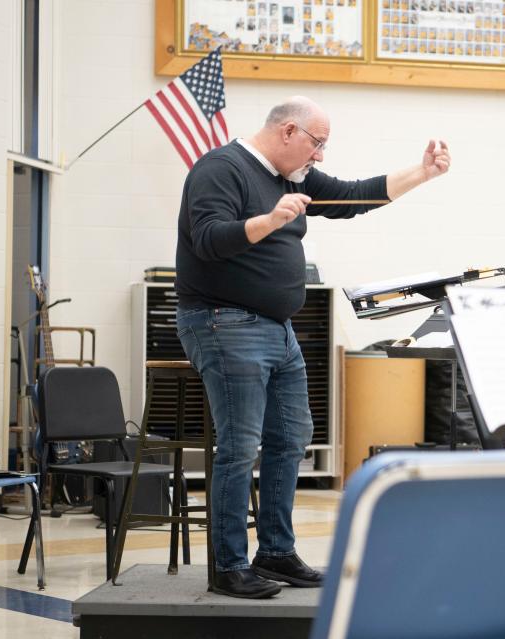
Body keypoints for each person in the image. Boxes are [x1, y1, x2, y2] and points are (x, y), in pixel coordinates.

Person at [174, 96, 450, 599]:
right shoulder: (221, 169)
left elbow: (353, 196)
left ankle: (276, 551)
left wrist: (423, 173)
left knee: (291, 438)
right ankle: (228, 566)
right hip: (223, 321)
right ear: (288, 132)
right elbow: (210, 239)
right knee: (240, 447)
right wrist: (272, 220)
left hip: (277, 328)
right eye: (316, 143)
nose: (320, 156)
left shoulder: (293, 176)